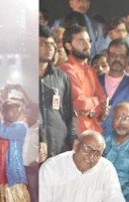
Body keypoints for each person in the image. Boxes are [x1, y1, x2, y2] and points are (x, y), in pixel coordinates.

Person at [60, 25, 108, 134]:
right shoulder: (67, 69)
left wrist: (92, 111)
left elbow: (103, 100)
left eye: (88, 41)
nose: (87, 45)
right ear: (69, 46)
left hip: (93, 129)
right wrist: (95, 101)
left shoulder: (90, 70)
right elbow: (80, 104)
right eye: (81, 41)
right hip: (76, 133)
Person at [40, 24, 77, 161]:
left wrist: (73, 139)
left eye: (52, 44)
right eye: (44, 43)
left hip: (58, 150)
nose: (49, 48)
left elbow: (69, 114)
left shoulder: (61, 77)